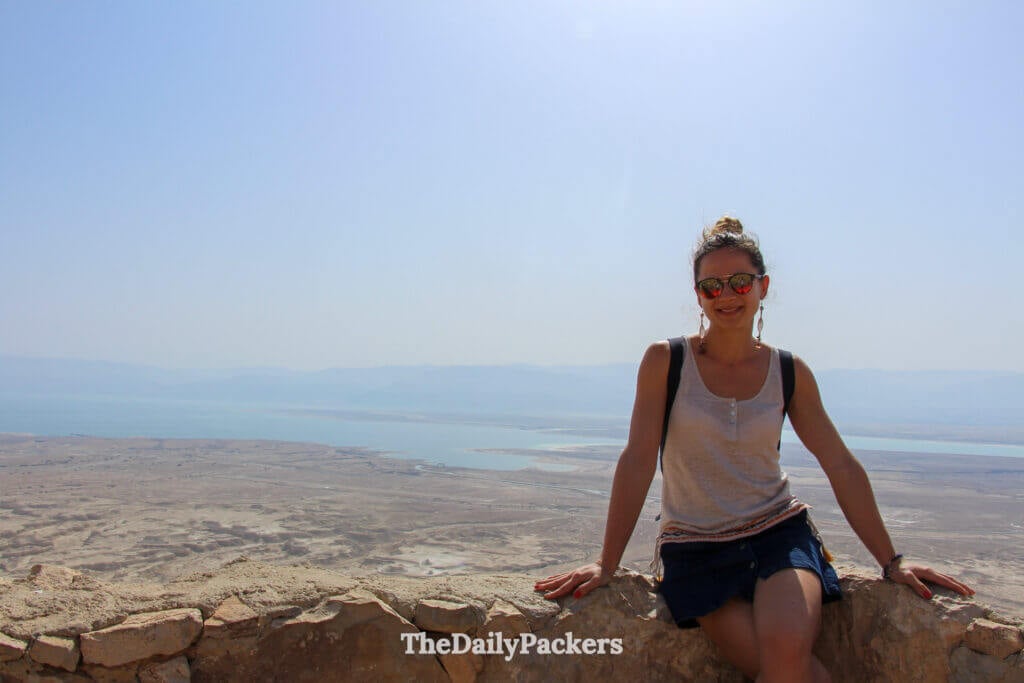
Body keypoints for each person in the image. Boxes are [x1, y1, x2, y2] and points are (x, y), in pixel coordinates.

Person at [533, 217, 974, 682]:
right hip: (697, 548)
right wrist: (606, 565)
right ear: (698, 293)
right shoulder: (666, 362)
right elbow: (638, 459)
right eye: (712, 286)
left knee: (786, 656)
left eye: (740, 283)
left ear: (762, 287)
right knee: (806, 675)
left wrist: (892, 560)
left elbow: (840, 464)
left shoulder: (788, 371)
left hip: (777, 535)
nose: (726, 295)